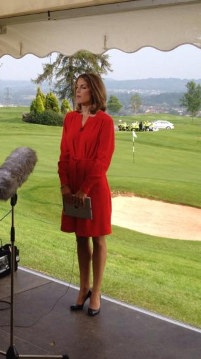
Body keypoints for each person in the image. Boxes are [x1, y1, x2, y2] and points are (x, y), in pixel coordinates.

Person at [58, 73, 115, 317]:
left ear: (94, 91)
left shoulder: (105, 121)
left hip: (94, 187)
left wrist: (85, 189)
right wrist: (65, 186)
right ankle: (83, 288)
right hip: (72, 185)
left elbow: (103, 159)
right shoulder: (70, 119)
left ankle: (97, 292)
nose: (78, 91)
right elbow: (64, 155)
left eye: (83, 87)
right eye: (76, 87)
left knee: (98, 238)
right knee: (80, 237)